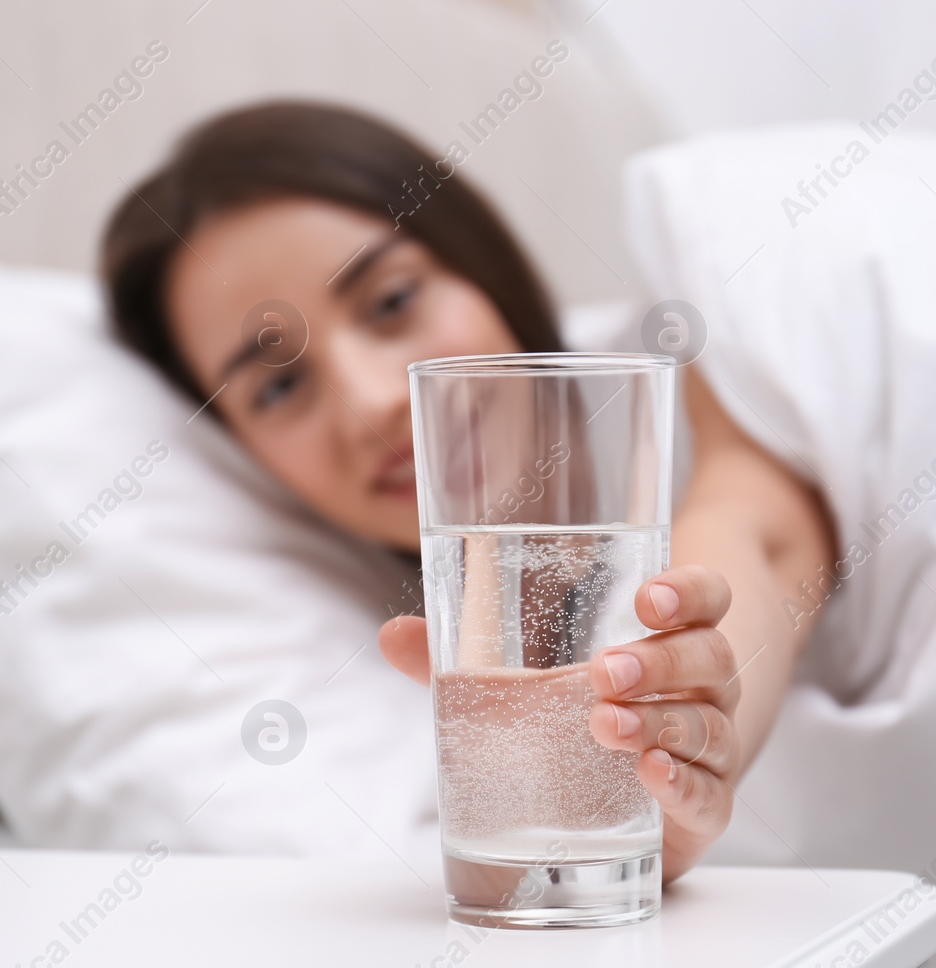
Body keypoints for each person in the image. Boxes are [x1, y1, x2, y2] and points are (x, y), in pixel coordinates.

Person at [101, 101, 834, 883]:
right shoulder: (410, 629)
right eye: (279, 388)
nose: (374, 399)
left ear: (476, 259)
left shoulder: (686, 370)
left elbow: (761, 537)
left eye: (390, 301)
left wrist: (676, 745)